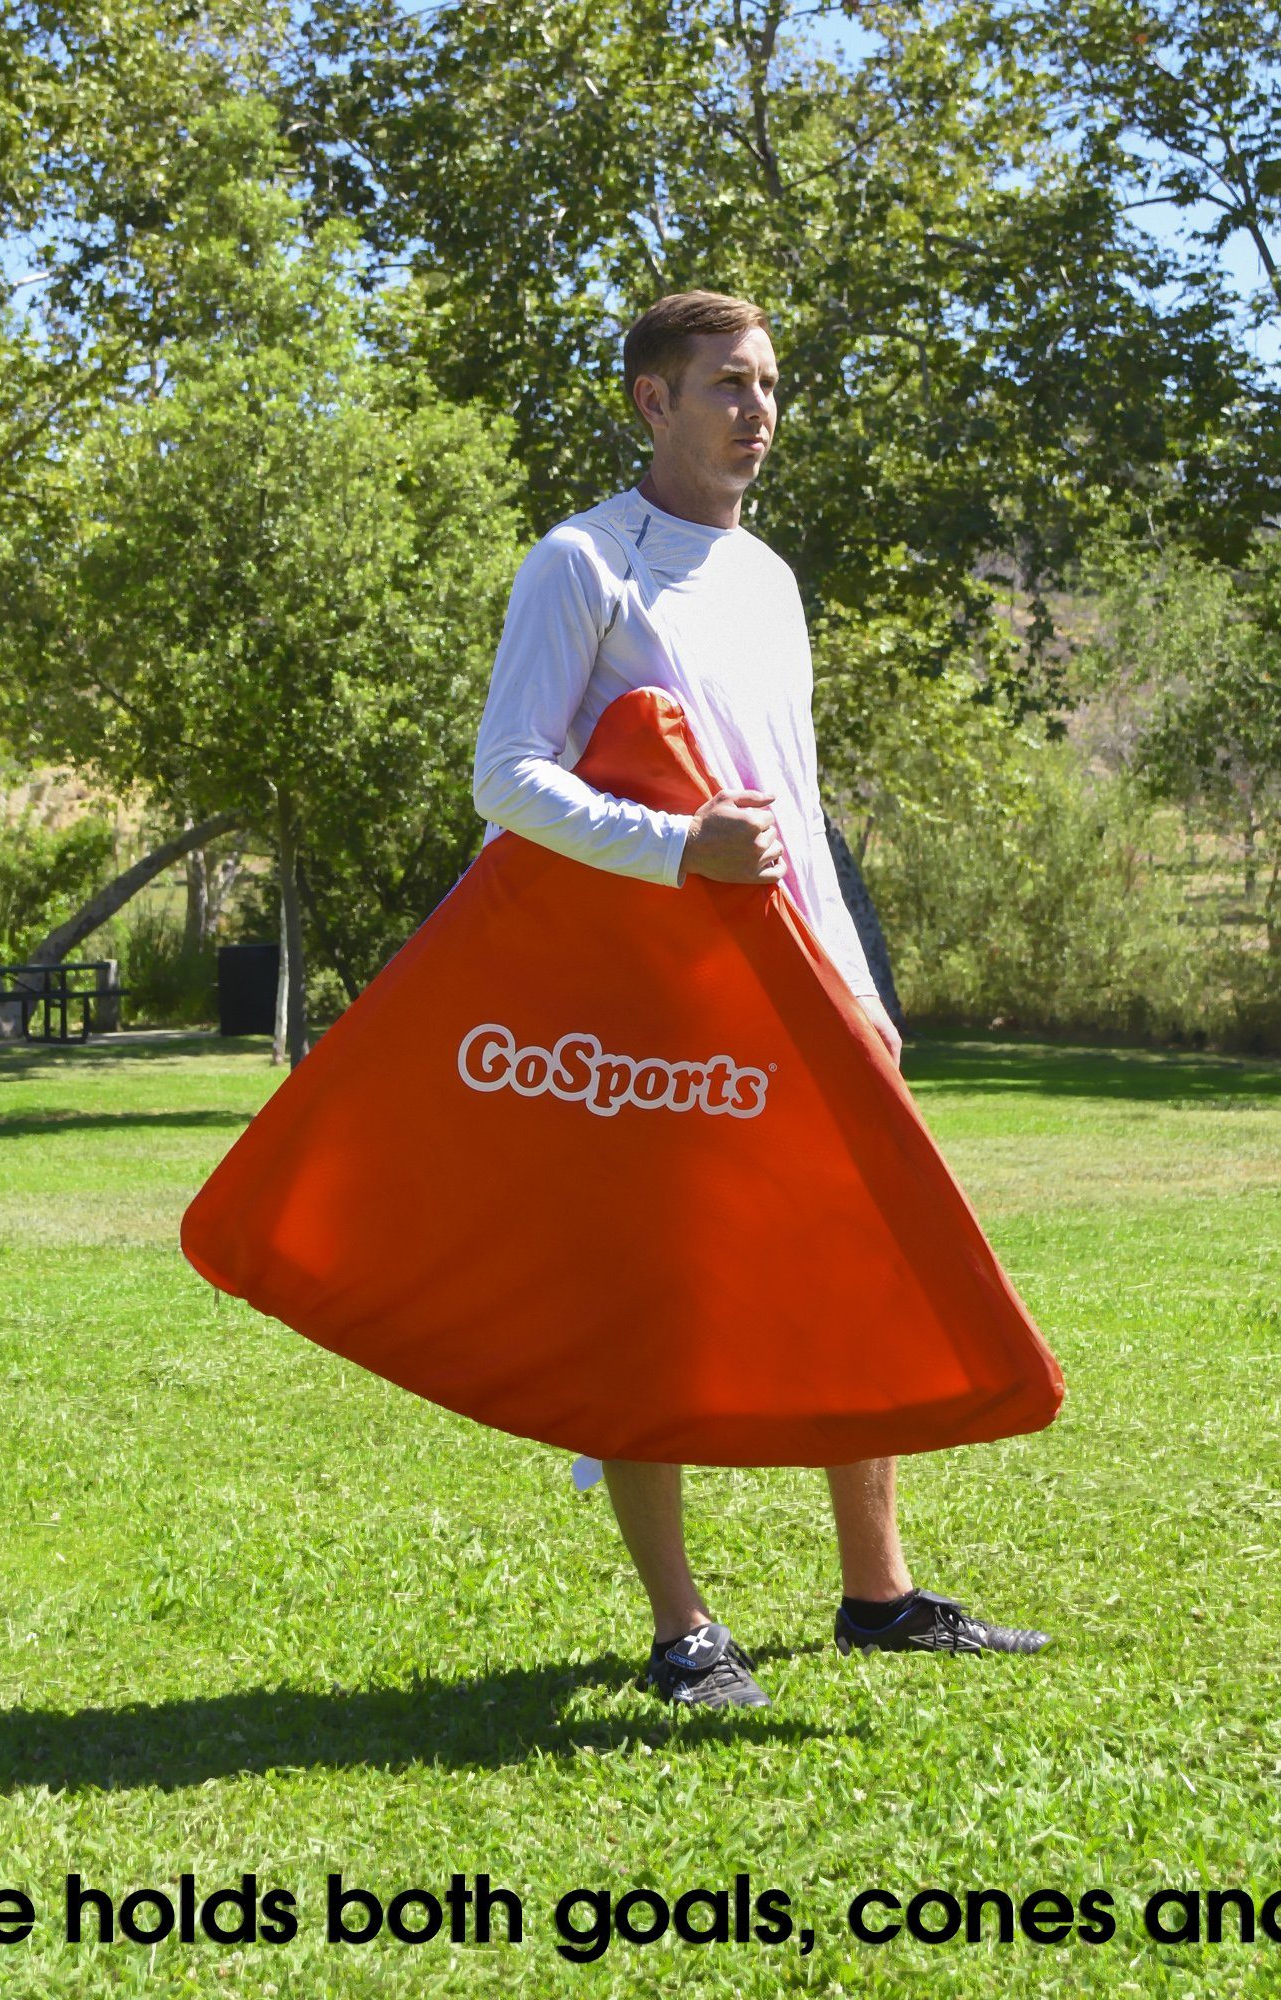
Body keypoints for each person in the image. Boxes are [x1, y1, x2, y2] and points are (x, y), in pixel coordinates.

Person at [471, 290, 1048, 1710]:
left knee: (848, 1267)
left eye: (770, 384)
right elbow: (507, 779)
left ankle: (880, 1595)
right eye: (727, 384)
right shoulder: (579, 565)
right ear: (651, 403)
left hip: (805, 983)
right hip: (654, 1007)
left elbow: (792, 804)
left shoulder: (773, 577)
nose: (758, 409)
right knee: (652, 1298)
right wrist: (677, 850)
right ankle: (683, 1629)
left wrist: (858, 980)